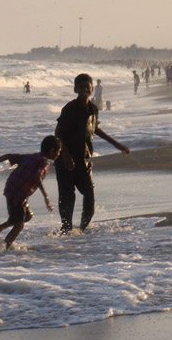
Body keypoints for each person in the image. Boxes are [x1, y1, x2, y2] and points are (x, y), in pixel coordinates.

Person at [54, 73, 130, 233]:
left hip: (84, 159)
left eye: (87, 87)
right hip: (66, 161)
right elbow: (58, 132)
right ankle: (66, 230)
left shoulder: (93, 109)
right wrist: (65, 155)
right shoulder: (70, 108)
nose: (84, 89)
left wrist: (116, 144)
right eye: (80, 87)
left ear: (92, 88)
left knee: (89, 196)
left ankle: (83, 230)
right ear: (75, 89)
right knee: (67, 197)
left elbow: (95, 128)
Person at [0, 135, 61, 248]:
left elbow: (8, 156)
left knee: (27, 216)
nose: (59, 154)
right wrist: (46, 197)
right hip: (18, 193)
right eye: (59, 151)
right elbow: (37, 176)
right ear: (52, 151)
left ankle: (0, 227)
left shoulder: (30, 156)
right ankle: (4, 248)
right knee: (19, 225)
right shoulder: (44, 163)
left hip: (11, 187)